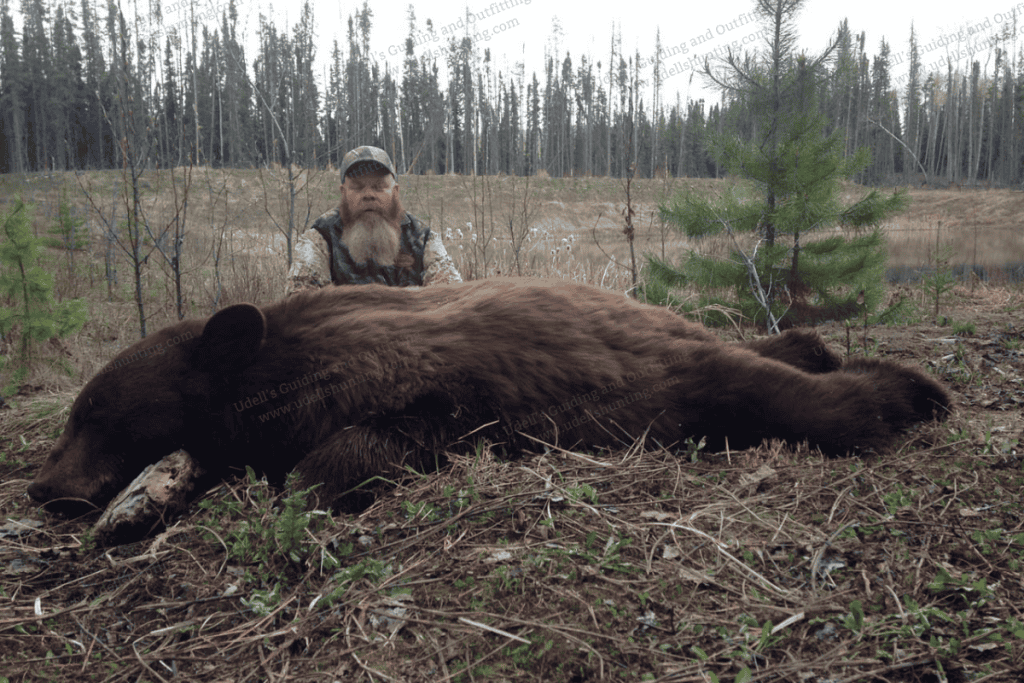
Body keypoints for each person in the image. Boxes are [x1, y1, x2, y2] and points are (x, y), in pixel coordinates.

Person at [286, 146, 462, 293]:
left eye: (379, 187)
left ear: (395, 192)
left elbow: (451, 298)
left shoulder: (423, 238)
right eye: (357, 187)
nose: (368, 195)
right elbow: (301, 305)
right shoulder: (320, 238)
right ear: (343, 193)